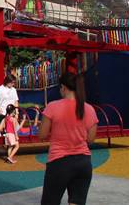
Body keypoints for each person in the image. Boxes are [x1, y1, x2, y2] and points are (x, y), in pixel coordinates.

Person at [39, 73, 98, 205]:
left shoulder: (53, 106)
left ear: (64, 88)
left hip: (59, 162)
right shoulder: (89, 109)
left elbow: (42, 134)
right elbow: (91, 139)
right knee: (77, 201)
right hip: (83, 162)